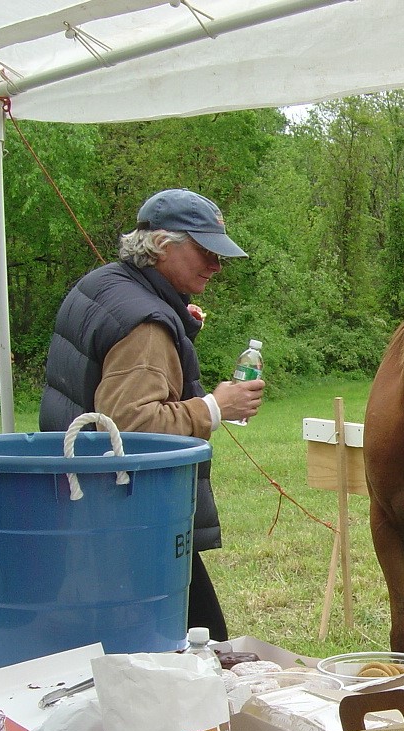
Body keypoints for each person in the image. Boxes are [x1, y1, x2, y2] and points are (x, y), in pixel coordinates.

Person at [40, 188, 264, 642]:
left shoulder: (105, 283)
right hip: (130, 515)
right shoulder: (145, 322)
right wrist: (216, 407)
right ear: (163, 245)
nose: (217, 265)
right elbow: (130, 427)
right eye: (205, 251)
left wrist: (178, 323)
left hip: (84, 504)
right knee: (200, 643)